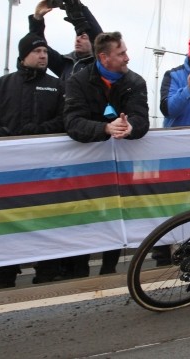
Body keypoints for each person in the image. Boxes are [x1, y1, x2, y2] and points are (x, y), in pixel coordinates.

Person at [0, 33, 65, 288]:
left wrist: (38, 132)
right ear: (24, 54)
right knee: (6, 225)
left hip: (45, 170)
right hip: (7, 171)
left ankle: (46, 271)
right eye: (38, 51)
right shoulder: (0, 85)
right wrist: (1, 135)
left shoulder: (57, 86)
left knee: (45, 221)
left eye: (46, 52)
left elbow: (64, 120)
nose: (43, 56)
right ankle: (6, 275)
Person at [64, 31, 149, 276]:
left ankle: (109, 269)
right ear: (104, 57)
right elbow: (72, 122)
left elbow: (140, 118)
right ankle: (79, 270)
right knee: (84, 217)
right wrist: (104, 128)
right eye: (121, 53)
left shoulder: (135, 82)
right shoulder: (77, 81)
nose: (127, 58)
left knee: (116, 213)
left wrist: (130, 127)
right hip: (85, 166)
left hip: (119, 167)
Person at [29, 0, 103, 81]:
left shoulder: (100, 65)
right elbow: (38, 44)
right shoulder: (65, 64)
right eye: (77, 36)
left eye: (83, 37)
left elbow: (101, 40)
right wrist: (37, 19)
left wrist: (83, 10)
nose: (78, 40)